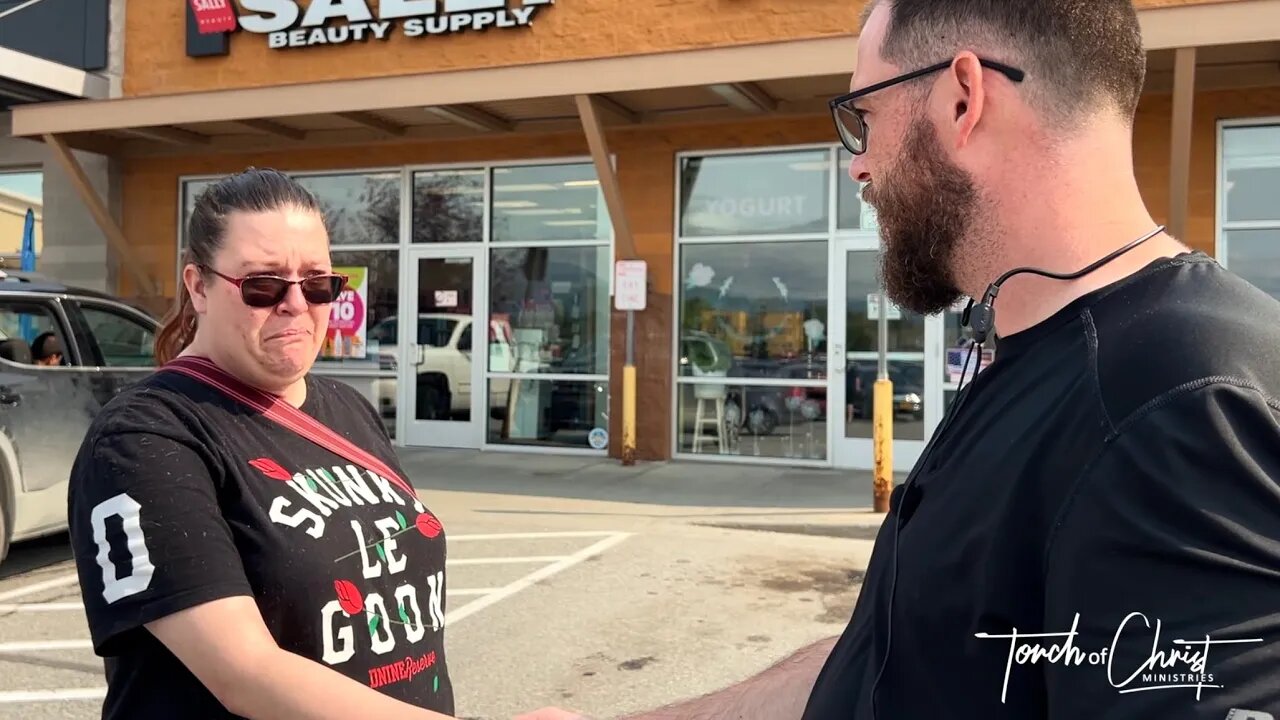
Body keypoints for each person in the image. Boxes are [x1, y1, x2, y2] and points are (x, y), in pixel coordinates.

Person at [519, 0, 1280, 718]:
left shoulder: (1179, 400)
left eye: (864, 116)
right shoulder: (1036, 355)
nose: (857, 164)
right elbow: (898, 659)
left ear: (962, 98)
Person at [67, 168, 461, 719]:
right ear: (198, 286)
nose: (296, 305)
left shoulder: (349, 410)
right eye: (263, 285)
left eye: (318, 282)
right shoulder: (143, 438)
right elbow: (245, 673)